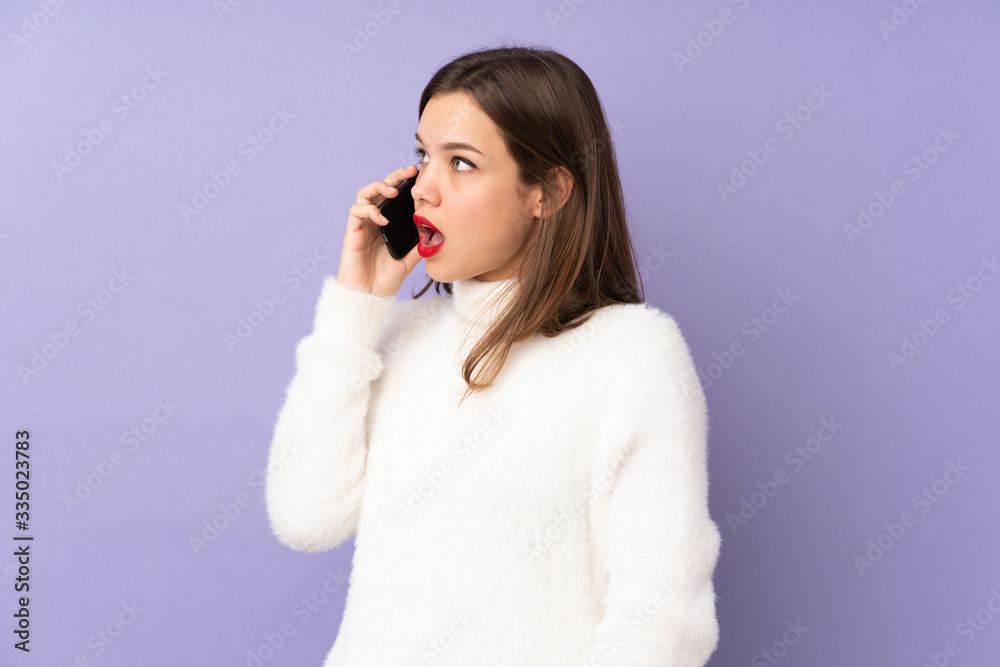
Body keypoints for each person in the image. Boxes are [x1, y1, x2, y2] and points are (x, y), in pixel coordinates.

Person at [265, 43, 722, 667]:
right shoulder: (398, 337)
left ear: (548, 192)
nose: (423, 189)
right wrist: (355, 310)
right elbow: (306, 518)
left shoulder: (632, 357)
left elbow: (662, 618)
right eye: (423, 157)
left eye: (462, 163)